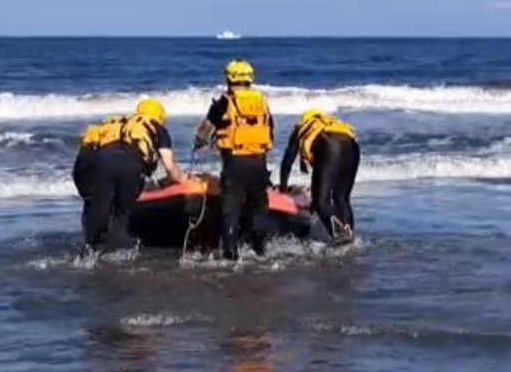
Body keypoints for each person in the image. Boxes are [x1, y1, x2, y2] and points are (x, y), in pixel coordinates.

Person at [72, 98, 187, 252]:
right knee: (123, 212)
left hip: (98, 162)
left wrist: (85, 188)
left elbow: (84, 158)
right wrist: (182, 178)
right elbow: (169, 166)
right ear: (160, 117)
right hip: (129, 163)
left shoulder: (116, 124)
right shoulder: (157, 128)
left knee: (98, 207)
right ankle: (121, 253)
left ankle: (91, 250)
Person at [193, 60, 276, 259]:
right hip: (258, 163)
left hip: (234, 165)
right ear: (250, 78)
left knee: (230, 211)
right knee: (258, 208)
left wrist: (200, 142)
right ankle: (260, 251)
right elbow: (270, 130)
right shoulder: (262, 103)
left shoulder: (224, 102)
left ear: (229, 78)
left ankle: (230, 254)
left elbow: (204, 132)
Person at [278, 109, 360, 244]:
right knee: (342, 198)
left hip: (330, 147)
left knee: (320, 202)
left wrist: (283, 187)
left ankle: (339, 235)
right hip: (352, 147)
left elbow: (287, 161)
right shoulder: (334, 125)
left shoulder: (301, 129)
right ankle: (349, 235)